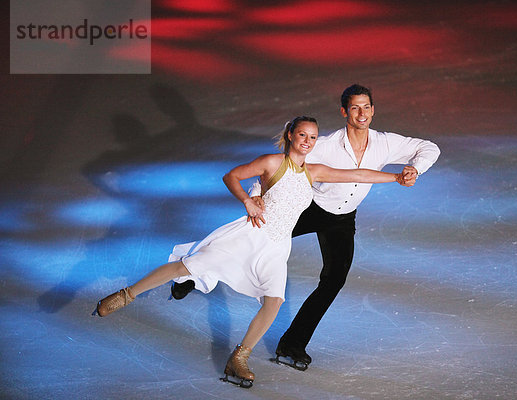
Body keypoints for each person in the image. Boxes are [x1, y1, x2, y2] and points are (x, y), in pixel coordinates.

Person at [94, 116, 413, 388]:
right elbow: (231, 175)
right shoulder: (272, 162)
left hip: (276, 247)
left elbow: (356, 175)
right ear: (290, 134)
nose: (307, 141)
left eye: (313, 137)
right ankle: (126, 294)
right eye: (302, 135)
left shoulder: (313, 172)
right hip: (250, 235)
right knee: (187, 267)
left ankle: (239, 357)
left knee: (273, 302)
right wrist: (248, 200)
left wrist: (396, 176)